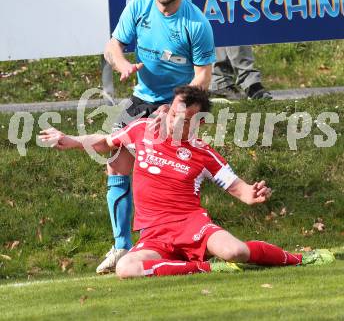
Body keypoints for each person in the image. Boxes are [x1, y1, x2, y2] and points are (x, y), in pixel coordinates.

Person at [39, 86, 334, 278]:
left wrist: (254, 193)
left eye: (184, 118)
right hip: (155, 235)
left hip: (191, 225)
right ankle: (206, 267)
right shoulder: (142, 129)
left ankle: (298, 259)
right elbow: (104, 141)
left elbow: (240, 190)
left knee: (237, 252)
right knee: (126, 267)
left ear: (199, 122)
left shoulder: (204, 154)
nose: (174, 121)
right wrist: (72, 140)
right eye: (174, 113)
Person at [100, 0, 216, 273]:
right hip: (141, 99)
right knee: (116, 162)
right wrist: (122, 64)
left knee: (171, 179)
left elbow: (203, 76)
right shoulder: (138, 6)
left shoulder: (196, 23)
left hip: (178, 106)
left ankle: (187, 244)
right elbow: (113, 46)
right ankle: (122, 247)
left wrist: (178, 109)